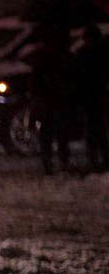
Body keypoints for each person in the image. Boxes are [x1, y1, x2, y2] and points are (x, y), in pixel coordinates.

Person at [31, 25, 76, 175]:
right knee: (59, 133)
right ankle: (60, 161)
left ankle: (49, 162)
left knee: (49, 133)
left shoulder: (44, 57)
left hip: (51, 99)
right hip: (59, 99)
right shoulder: (66, 56)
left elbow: (36, 81)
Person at [74, 24, 108, 173]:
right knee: (99, 130)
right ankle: (102, 159)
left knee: (94, 131)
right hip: (97, 96)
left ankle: (95, 160)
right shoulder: (101, 54)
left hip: (91, 97)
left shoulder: (84, 54)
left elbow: (78, 78)